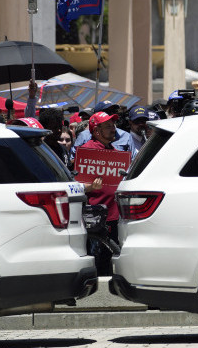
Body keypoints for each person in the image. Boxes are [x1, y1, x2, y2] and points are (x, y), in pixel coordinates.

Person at [79, 110, 131, 275]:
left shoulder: (115, 151)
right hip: (95, 218)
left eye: (113, 125)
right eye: (108, 126)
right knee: (96, 260)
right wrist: (89, 187)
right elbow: (77, 185)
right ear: (96, 131)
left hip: (115, 216)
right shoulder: (87, 151)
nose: (113, 128)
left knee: (108, 260)